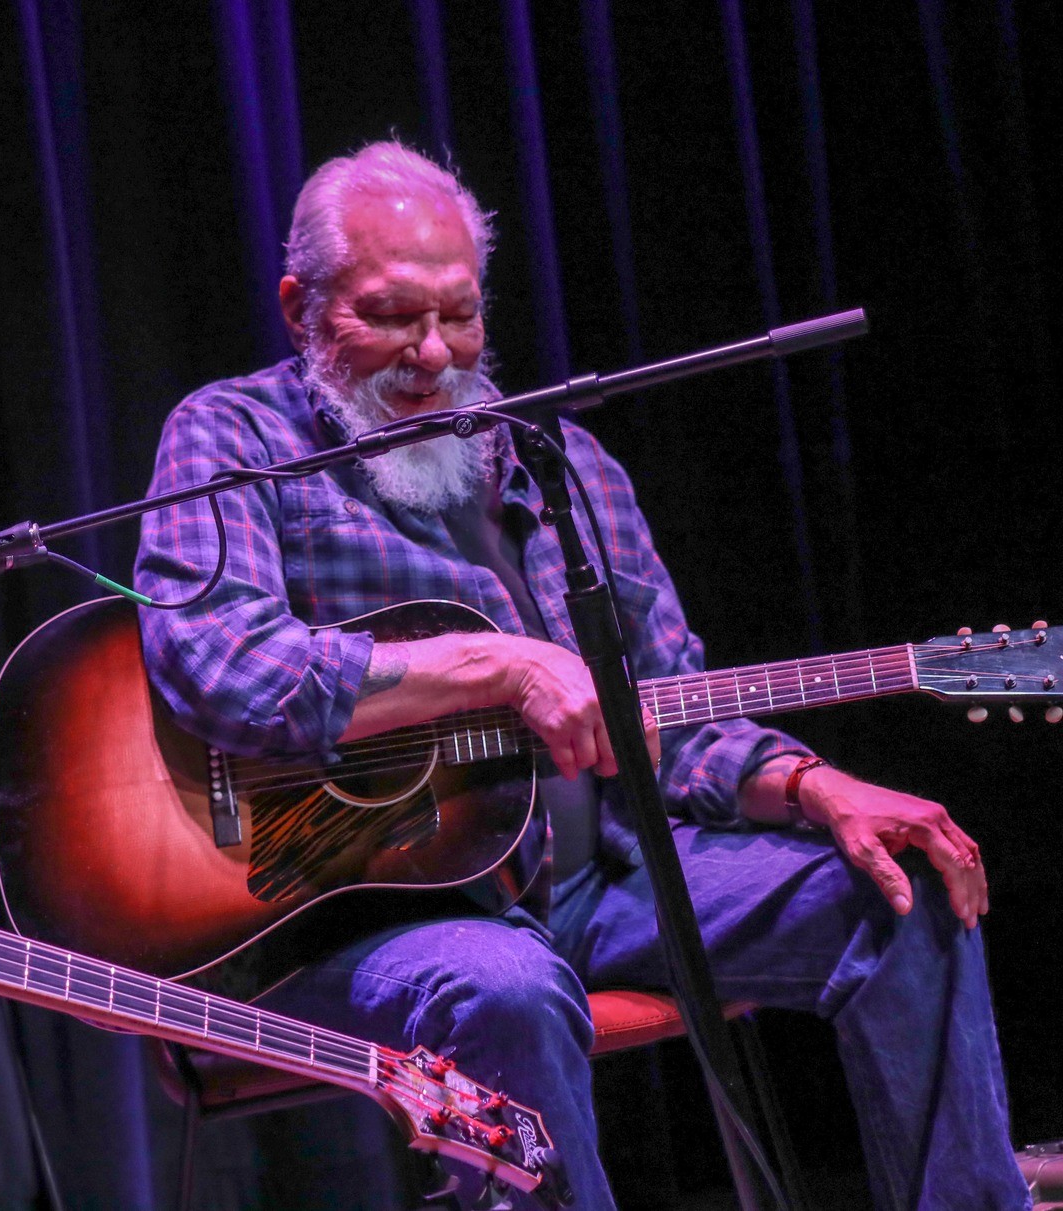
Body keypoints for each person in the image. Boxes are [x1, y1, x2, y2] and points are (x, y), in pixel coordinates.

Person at [134, 141, 1024, 1209]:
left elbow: (676, 716)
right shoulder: (233, 435)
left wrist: (811, 786)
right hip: (358, 914)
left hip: (598, 878)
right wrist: (495, 663)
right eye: (391, 315)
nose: (432, 353)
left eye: (460, 315)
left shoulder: (563, 468)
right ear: (300, 307)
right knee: (505, 991)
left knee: (900, 888)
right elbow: (217, 662)